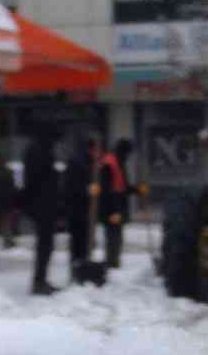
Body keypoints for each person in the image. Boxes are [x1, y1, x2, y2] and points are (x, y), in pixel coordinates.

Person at [22, 124, 61, 295]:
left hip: (41, 204)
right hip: (43, 205)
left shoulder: (36, 150)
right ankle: (39, 282)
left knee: (45, 245)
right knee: (45, 245)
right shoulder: (41, 152)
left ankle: (41, 280)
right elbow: (41, 180)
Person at [64, 134, 98, 282]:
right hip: (77, 210)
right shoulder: (78, 162)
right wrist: (87, 189)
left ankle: (82, 270)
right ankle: (77, 272)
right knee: (78, 242)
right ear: (90, 149)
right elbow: (72, 186)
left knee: (83, 242)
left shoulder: (88, 162)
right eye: (95, 150)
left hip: (84, 210)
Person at [98, 137, 135, 268]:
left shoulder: (119, 162)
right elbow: (106, 190)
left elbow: (122, 186)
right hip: (111, 208)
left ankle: (114, 263)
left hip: (117, 206)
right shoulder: (109, 163)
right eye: (128, 153)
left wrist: (137, 190)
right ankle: (111, 263)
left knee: (116, 237)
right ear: (123, 151)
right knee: (113, 237)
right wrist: (113, 211)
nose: (128, 156)